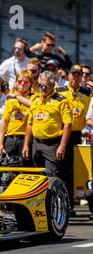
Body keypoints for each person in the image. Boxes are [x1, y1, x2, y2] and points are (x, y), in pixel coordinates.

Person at [22, 71, 72, 179]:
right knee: (38, 178)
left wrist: (62, 147)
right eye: (41, 85)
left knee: (52, 177)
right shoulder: (35, 100)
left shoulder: (61, 101)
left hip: (52, 144)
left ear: (53, 85)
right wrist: (26, 145)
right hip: (36, 143)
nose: (43, 88)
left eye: (47, 85)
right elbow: (30, 124)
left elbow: (67, 125)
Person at [57, 65, 92, 213]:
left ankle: (75, 201)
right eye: (74, 74)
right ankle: (66, 203)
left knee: (77, 171)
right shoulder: (61, 91)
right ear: (69, 76)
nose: (76, 77)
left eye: (79, 75)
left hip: (79, 134)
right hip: (64, 134)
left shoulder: (86, 92)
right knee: (63, 170)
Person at [0, 70, 34, 158]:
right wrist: (0, 143)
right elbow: (4, 121)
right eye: (20, 81)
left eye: (26, 82)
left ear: (30, 84)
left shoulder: (34, 97)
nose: (22, 84)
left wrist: (17, 96)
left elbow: (33, 105)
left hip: (26, 139)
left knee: (25, 168)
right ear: (16, 83)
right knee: (9, 169)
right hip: (11, 138)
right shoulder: (10, 99)